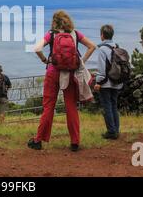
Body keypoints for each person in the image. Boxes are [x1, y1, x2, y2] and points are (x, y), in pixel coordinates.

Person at [27, 10, 96, 152]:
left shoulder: (51, 34)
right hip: (70, 74)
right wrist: (80, 62)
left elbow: (37, 48)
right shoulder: (75, 34)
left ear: (55, 22)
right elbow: (92, 46)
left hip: (53, 72)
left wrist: (45, 60)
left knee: (48, 107)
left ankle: (38, 140)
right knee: (71, 107)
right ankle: (75, 142)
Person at [93, 25, 124, 140]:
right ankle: (116, 130)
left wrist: (98, 82)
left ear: (102, 35)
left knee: (107, 107)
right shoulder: (117, 47)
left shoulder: (102, 49)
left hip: (106, 83)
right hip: (117, 82)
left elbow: (101, 70)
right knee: (114, 106)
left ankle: (111, 132)